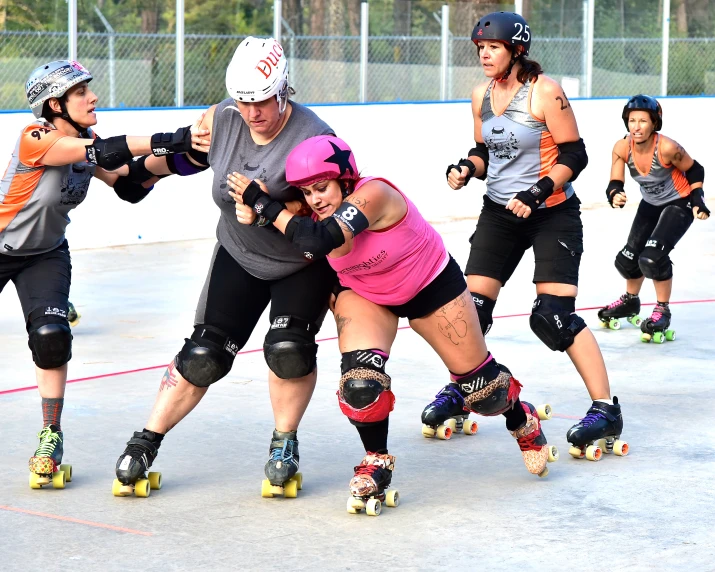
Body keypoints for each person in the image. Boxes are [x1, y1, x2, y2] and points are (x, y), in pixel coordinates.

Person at [227, 135, 558, 514]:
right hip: (366, 293)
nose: (315, 199)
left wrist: (262, 204)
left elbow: (322, 239)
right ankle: (376, 459)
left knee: (485, 392)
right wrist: (254, 210)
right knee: (360, 384)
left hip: (429, 285)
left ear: (345, 180)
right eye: (306, 192)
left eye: (322, 188)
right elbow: (285, 219)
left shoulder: (376, 194)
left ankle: (521, 418)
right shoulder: (306, 208)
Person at [113, 37, 336, 499]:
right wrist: (142, 174)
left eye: (262, 101)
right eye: (244, 100)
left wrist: (271, 205)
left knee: (288, 348)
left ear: (283, 90)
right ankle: (146, 440)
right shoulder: (224, 118)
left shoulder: (314, 137)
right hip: (239, 253)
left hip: (301, 263)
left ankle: (284, 445)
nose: (252, 112)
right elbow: (191, 157)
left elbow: (326, 215)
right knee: (204, 355)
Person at [2, 59, 199, 488]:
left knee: (52, 338)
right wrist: (176, 137)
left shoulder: (84, 139)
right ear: (55, 104)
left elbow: (129, 182)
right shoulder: (35, 137)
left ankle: (49, 435)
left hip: (45, 254)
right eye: (81, 93)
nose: (93, 98)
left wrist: (191, 157)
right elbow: (107, 151)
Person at [444, 11, 626, 461]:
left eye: (494, 47)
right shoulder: (480, 95)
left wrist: (540, 189)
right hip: (500, 214)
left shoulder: (545, 92)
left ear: (516, 50)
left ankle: (606, 408)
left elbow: (575, 153)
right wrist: (468, 168)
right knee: (469, 311)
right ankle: (463, 389)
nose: (484, 54)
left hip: (552, 215)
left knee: (553, 317)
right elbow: (485, 150)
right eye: (480, 48)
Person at [598, 94, 709, 343]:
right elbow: (614, 181)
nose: (636, 127)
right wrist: (615, 193)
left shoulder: (667, 148)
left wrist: (698, 199)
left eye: (643, 121)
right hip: (651, 204)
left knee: (652, 258)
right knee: (627, 261)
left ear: (654, 123)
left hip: (679, 203)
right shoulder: (621, 147)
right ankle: (630, 301)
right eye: (632, 120)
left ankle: (662, 309)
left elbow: (695, 169)